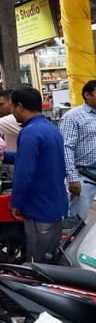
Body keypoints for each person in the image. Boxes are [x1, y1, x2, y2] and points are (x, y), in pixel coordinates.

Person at [0, 87, 67, 262]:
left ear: (20, 107)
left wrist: (16, 202)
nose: (12, 111)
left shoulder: (29, 132)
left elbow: (24, 172)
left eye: (13, 107)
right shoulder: (50, 128)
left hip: (39, 205)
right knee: (49, 254)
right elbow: (39, 160)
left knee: (39, 261)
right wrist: (5, 156)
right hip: (54, 202)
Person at [59, 79, 96, 220]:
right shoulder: (73, 116)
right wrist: (73, 178)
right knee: (77, 220)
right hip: (84, 175)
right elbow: (66, 148)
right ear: (88, 95)